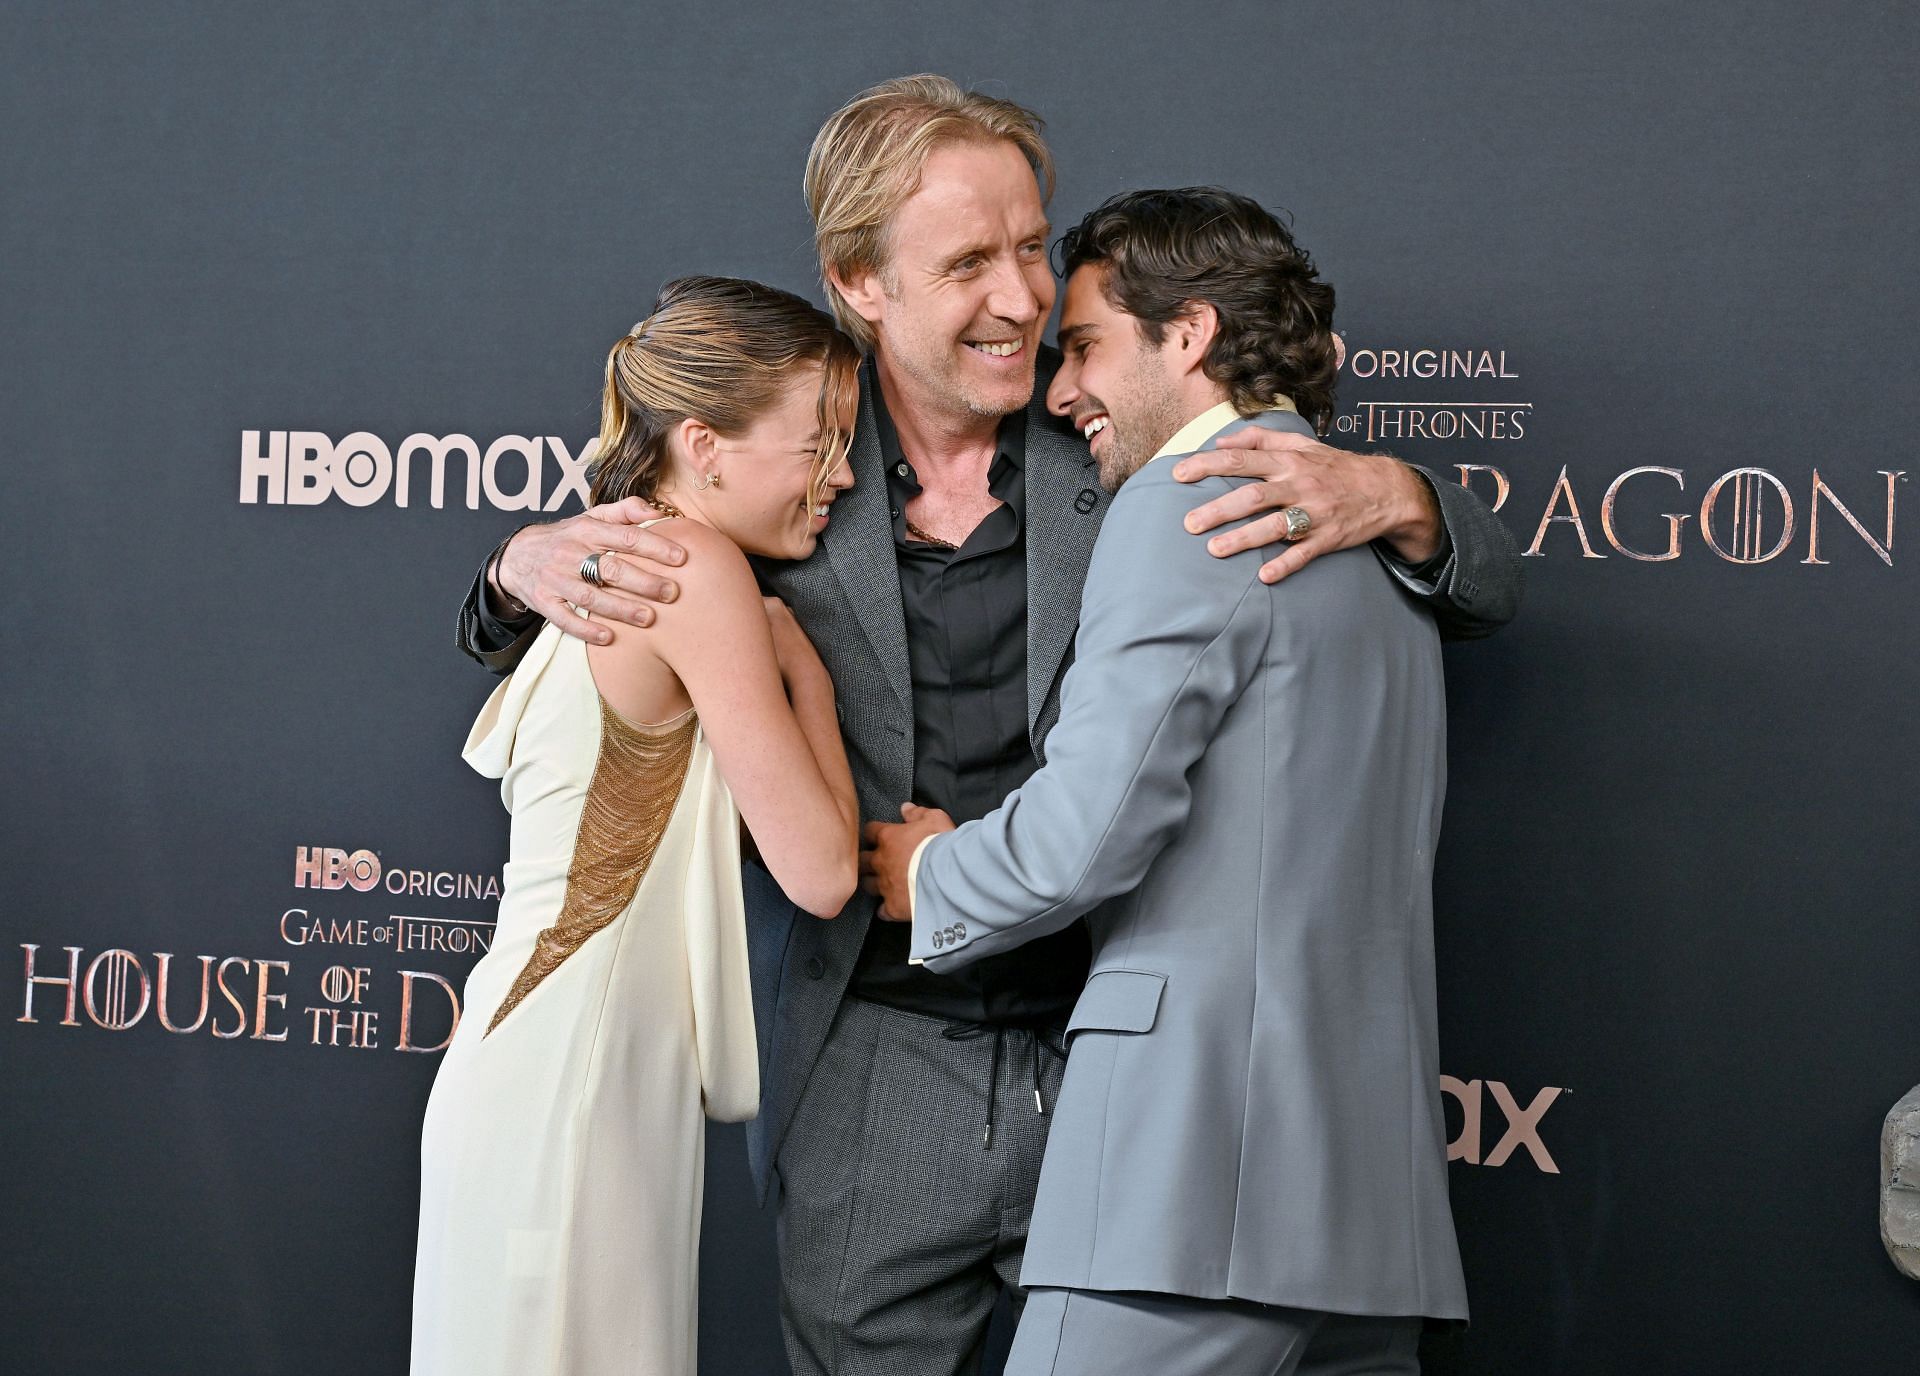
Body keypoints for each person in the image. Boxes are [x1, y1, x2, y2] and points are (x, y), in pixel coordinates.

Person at [456, 76, 1517, 1376]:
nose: (1021, 297)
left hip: (1123, 1062)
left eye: (1031, 244)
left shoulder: (1135, 441)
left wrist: (1407, 495)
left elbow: (1476, 585)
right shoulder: (785, 452)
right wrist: (513, 567)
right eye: (970, 262)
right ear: (862, 283)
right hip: (877, 1069)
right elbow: (622, 580)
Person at [864, 187, 1467, 1376]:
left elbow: (1083, 837)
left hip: (1188, 1195)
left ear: (1186, 336)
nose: (1059, 388)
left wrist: (928, 868)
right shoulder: (1380, 538)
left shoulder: (1184, 506)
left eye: (1084, 344)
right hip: (1370, 1221)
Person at [412, 276, 862, 1376]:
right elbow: (822, 870)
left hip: (561, 1073)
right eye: (820, 442)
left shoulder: (609, 552)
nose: (842, 474)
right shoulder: (693, 569)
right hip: (575, 1089)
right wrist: (805, 674)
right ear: (705, 444)